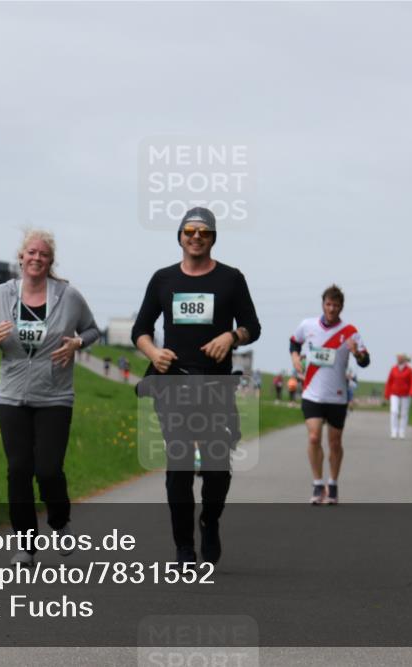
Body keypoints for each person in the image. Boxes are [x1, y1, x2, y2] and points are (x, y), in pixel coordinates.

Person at [132, 207, 260, 565]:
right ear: (180, 236)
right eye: (189, 230)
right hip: (173, 383)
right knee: (180, 464)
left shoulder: (231, 279)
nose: (196, 236)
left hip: (216, 385)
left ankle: (210, 520)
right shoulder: (163, 279)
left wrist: (231, 336)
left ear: (213, 238)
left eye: (204, 232)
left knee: (218, 466)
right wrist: (153, 352)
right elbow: (139, 330)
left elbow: (254, 326)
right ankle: (184, 547)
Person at [0, 229, 100, 565]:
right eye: (31, 253)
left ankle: (60, 522)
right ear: (21, 257)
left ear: (50, 261)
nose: (36, 258)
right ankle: (25, 545)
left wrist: (77, 343)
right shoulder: (2, 295)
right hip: (11, 395)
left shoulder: (68, 296)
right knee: (18, 469)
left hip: (55, 396)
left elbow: (92, 330)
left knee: (48, 470)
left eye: (43, 255)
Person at [290, 285, 370, 505]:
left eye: (336, 305)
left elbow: (365, 360)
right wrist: (295, 357)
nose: (332, 309)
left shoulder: (350, 331)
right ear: (323, 304)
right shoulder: (307, 325)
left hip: (337, 396)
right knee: (314, 437)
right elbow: (294, 341)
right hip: (312, 393)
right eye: (328, 304)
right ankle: (317, 484)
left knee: (335, 443)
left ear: (341, 307)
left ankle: (332, 484)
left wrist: (356, 353)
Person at [384, 354, 412, 439]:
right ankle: (394, 431)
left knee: (404, 413)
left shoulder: (409, 370)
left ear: (404, 360)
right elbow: (389, 382)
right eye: (397, 358)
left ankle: (402, 431)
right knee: (394, 412)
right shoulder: (393, 369)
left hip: (405, 395)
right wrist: (387, 393)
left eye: (400, 358)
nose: (398, 359)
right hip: (394, 394)